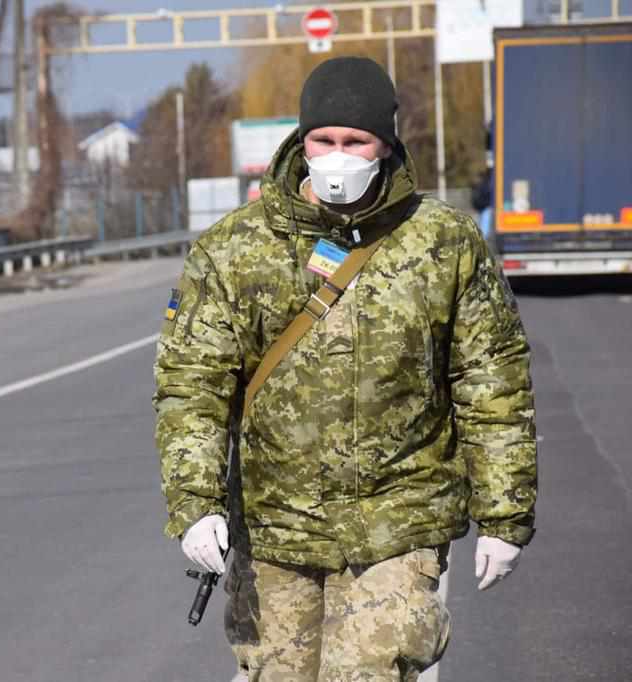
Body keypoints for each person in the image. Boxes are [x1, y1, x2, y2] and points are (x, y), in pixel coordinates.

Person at [154, 57, 537, 682]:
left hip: (399, 517)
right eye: (323, 140)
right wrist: (195, 504)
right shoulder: (234, 248)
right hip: (274, 525)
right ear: (302, 142)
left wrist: (506, 514)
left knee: (368, 672)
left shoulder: (443, 242)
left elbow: (491, 381)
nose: (337, 155)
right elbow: (192, 383)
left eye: (355, 141)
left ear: (385, 144)